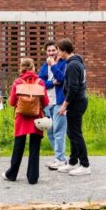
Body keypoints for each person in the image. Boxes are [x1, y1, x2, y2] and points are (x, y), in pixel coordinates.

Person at [3, 58, 48, 185]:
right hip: (36, 119)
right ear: (33, 67)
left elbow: (12, 102)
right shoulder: (40, 82)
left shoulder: (17, 82)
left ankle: (11, 174)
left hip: (21, 118)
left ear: (21, 68)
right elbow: (45, 102)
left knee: (18, 147)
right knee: (34, 148)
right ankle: (33, 178)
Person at [57, 40, 91, 175]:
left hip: (76, 102)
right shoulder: (76, 62)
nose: (58, 53)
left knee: (75, 133)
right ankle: (72, 162)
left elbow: (73, 88)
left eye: (59, 50)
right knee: (71, 132)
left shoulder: (72, 65)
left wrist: (64, 105)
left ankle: (85, 164)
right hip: (78, 101)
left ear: (65, 51)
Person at [38, 41, 69, 171]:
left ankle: (61, 159)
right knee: (50, 132)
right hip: (47, 103)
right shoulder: (45, 66)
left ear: (58, 51)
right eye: (49, 51)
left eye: (53, 50)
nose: (51, 53)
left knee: (59, 131)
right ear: (46, 52)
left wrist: (53, 66)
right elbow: (40, 83)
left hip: (59, 102)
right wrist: (52, 82)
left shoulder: (63, 64)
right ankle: (59, 157)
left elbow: (62, 78)